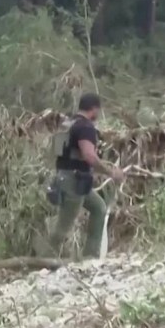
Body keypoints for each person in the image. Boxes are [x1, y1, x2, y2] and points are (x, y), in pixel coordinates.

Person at [48, 93, 124, 258]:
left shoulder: (67, 124)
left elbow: (59, 152)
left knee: (99, 208)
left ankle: (90, 256)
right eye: (98, 110)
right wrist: (111, 172)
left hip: (66, 177)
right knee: (64, 225)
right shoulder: (86, 127)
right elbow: (89, 156)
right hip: (74, 181)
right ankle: (44, 258)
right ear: (94, 109)